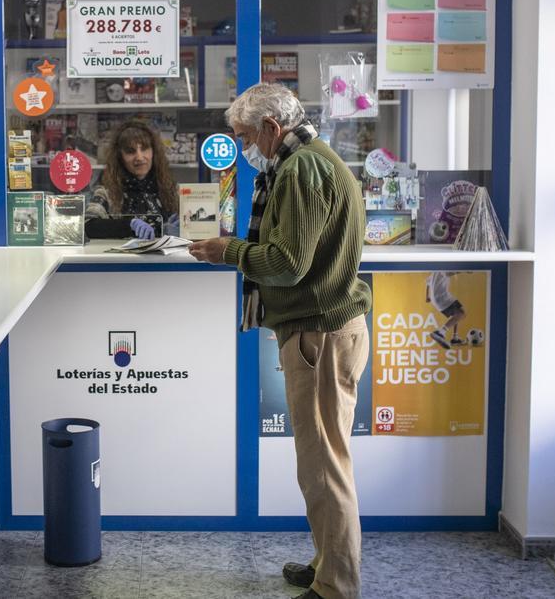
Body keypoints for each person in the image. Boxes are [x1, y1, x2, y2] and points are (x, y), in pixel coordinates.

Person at [188, 83, 372, 599]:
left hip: (320, 334)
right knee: (319, 462)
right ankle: (326, 563)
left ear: (272, 127)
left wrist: (230, 250)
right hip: (323, 329)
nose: (244, 147)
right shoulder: (308, 160)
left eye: (246, 136)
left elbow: (287, 264)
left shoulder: (300, 169)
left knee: (323, 467)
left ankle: (336, 585)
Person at [84, 119, 179, 240]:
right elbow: (89, 225)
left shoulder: (171, 189)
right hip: (123, 258)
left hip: (166, 257)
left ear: (154, 152)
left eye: (144, 149)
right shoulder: (108, 192)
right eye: (130, 151)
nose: (139, 157)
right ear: (120, 157)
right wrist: (129, 225)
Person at [427, 270, 466, 348]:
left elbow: (428, 282)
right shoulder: (443, 267)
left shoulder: (434, 271)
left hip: (436, 298)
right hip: (442, 297)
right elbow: (448, 273)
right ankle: (440, 332)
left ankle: (455, 338)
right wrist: (463, 271)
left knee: (457, 313)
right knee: (462, 314)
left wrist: (427, 296)